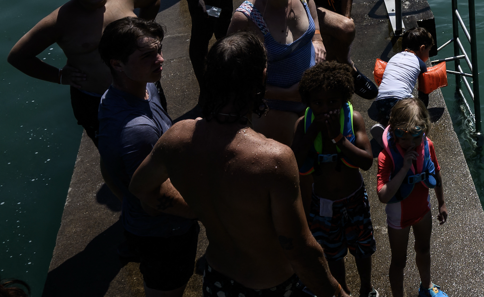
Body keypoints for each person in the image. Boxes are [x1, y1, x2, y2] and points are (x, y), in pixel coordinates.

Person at [129, 33, 347, 297]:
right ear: (262, 76)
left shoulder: (177, 137)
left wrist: (198, 209)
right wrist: (336, 292)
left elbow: (142, 188)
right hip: (272, 286)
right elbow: (299, 248)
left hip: (219, 278)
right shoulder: (274, 159)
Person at [8, 0, 160, 144]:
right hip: (96, 99)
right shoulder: (60, 21)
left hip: (142, 86)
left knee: (158, 137)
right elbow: (18, 56)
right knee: (116, 153)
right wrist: (60, 76)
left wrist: (144, 31)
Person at [97, 18, 199, 297]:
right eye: (147, 55)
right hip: (164, 236)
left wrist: (128, 202)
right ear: (117, 64)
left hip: (146, 224)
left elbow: (108, 167)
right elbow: (154, 195)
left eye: (159, 50)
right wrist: (209, 211)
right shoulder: (137, 130)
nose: (161, 59)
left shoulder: (138, 88)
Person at [292, 62, 376, 297]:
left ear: (344, 100)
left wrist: (339, 139)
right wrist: (313, 132)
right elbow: (296, 161)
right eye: (318, 103)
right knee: (332, 252)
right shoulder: (303, 124)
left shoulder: (354, 119)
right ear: (309, 102)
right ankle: (343, 290)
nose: (325, 108)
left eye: (333, 103)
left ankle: (366, 287)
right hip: (323, 203)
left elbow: (367, 161)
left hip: (354, 198)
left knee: (362, 247)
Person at [228, 0, 324, 144]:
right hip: (276, 104)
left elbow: (310, 1)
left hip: (312, 93)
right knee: (296, 156)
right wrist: (287, 94)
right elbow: (233, 78)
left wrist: (317, 37)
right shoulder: (246, 20)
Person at [376, 99, 449, 297]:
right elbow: (383, 195)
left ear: (424, 130)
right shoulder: (387, 156)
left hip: (423, 211)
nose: (410, 144)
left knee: (424, 249)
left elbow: (437, 172)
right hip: (398, 218)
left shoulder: (427, 146)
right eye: (404, 137)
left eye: (416, 137)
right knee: (399, 261)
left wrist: (441, 203)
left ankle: (426, 287)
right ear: (394, 133)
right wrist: (405, 168)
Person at [372, 27, 433, 122]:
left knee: (390, 113)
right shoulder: (420, 63)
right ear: (422, 48)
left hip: (380, 101)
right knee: (412, 112)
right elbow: (423, 92)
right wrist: (422, 111)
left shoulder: (394, 58)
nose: (428, 55)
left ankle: (384, 124)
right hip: (401, 101)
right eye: (428, 50)